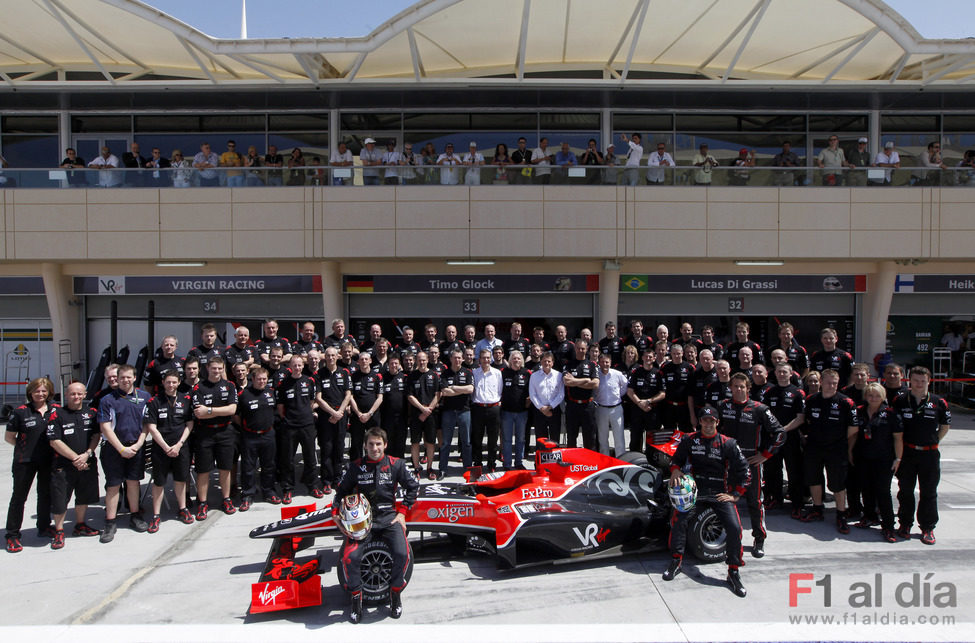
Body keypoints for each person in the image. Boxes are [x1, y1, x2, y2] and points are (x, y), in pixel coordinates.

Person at [333, 427, 419, 623]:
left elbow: (413, 487)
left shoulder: (396, 464)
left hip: (389, 518)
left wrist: (403, 513)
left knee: (402, 554)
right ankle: (356, 597)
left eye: (378, 444)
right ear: (365, 446)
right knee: (349, 557)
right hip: (362, 522)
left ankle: (395, 594)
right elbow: (340, 493)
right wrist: (335, 515)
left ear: (385, 445)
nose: (374, 448)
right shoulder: (355, 467)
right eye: (370, 444)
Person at [664, 405, 750, 598]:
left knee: (735, 528)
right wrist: (676, 470)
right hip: (696, 492)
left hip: (720, 493)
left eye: (712, 421)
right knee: (679, 520)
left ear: (717, 422)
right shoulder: (689, 440)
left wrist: (736, 494)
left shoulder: (728, 443)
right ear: (700, 422)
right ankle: (676, 561)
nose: (708, 424)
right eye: (704, 420)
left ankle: (734, 570)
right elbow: (675, 460)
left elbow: (745, 470)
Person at [717, 373, 784, 558]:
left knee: (755, 502)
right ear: (730, 388)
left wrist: (765, 455)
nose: (738, 390)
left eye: (742, 387)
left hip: (751, 463)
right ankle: (728, 537)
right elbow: (712, 430)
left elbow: (779, 433)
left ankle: (759, 539)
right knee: (727, 501)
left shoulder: (760, 409)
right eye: (735, 386)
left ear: (748, 389)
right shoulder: (723, 406)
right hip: (728, 464)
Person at [892, 366, 950, 545]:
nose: (919, 384)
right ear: (909, 381)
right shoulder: (900, 400)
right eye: (916, 380)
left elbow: (944, 426)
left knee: (929, 492)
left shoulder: (939, 402)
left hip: (930, 454)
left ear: (929, 381)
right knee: (906, 491)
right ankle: (905, 524)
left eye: (923, 381)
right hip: (908, 453)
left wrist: (933, 441)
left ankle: (927, 527)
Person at [795, 369, 857, 533]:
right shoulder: (811, 399)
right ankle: (817, 508)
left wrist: (839, 439)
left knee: (837, 483)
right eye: (828, 382)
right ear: (821, 382)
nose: (831, 386)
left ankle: (841, 513)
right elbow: (805, 420)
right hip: (814, 447)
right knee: (814, 478)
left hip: (836, 449)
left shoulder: (846, 402)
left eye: (834, 383)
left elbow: (853, 427)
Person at [97, 364, 151, 542]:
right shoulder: (107, 400)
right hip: (113, 449)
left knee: (133, 482)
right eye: (122, 377)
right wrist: (121, 448)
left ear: (135, 378)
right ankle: (110, 522)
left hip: (136, 447)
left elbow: (147, 424)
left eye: (129, 377)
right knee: (113, 485)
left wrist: (139, 444)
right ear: (117, 379)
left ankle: (135, 515)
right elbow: (105, 427)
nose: (125, 380)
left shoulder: (144, 397)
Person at [46, 382, 101, 550]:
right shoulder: (57, 414)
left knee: (83, 497)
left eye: (79, 394)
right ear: (66, 395)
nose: (76, 397)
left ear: (85, 395)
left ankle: (80, 525)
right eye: (72, 394)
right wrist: (76, 458)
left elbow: (96, 435)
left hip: (87, 464)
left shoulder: (92, 413)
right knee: (60, 501)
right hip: (64, 465)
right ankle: (59, 531)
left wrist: (87, 454)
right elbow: (54, 441)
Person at [5, 377, 56, 552]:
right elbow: (9, 437)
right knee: (19, 497)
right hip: (24, 461)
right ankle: (12, 535)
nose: (40, 394)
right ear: (30, 393)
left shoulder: (55, 410)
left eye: (44, 390)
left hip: (48, 460)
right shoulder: (20, 412)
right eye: (36, 391)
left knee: (45, 495)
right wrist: (25, 448)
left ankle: (43, 526)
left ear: (49, 392)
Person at [143, 371, 195, 529]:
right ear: (163, 383)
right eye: (168, 382)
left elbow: (189, 424)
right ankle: (156, 515)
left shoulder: (186, 399)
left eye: (174, 382)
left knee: (180, 479)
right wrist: (166, 447)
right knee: (159, 482)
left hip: (181, 447)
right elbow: (151, 427)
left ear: (179, 382)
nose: (171, 385)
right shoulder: (154, 401)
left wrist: (179, 445)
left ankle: (182, 509)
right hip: (161, 449)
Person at [853, 382, 902, 542]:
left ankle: (888, 526)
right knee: (866, 489)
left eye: (877, 395)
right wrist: (849, 453)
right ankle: (869, 516)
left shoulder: (890, 414)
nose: (873, 398)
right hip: (863, 457)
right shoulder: (859, 412)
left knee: (883, 492)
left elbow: (898, 438)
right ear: (866, 396)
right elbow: (853, 435)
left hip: (884, 459)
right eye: (870, 395)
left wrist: (898, 458)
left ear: (883, 397)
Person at [190, 356, 239, 519]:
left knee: (225, 468)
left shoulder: (230, 386)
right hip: (205, 433)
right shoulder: (199, 387)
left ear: (223, 368)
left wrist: (209, 411)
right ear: (207, 369)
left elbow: (232, 410)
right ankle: (202, 503)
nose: (216, 371)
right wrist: (217, 411)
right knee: (203, 470)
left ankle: (226, 499)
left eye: (219, 368)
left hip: (225, 432)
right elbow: (199, 414)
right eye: (213, 368)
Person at [763, 363, 807, 518]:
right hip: (773, 439)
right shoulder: (770, 392)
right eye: (779, 372)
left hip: (791, 438)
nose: (782, 374)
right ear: (775, 373)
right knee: (773, 470)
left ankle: (797, 504)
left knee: (794, 471)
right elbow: (765, 414)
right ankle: (775, 498)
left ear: (790, 374)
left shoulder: (797, 393)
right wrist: (774, 431)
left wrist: (782, 430)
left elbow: (800, 418)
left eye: (784, 372)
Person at [277, 355, 323, 500]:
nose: (297, 368)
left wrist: (308, 414)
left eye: (299, 365)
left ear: (303, 366)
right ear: (290, 366)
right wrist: (288, 419)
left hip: (307, 425)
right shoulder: (283, 383)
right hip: (290, 426)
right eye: (294, 365)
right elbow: (280, 407)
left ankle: (313, 486)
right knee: (287, 459)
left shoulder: (309, 381)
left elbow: (311, 401)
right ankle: (288, 488)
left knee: (310, 458)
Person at [315, 346, 352, 492]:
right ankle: (326, 480)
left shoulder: (344, 373)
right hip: (326, 417)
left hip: (340, 416)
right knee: (326, 448)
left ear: (337, 357)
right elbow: (318, 398)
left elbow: (348, 394)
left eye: (333, 355)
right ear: (325, 357)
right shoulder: (319, 374)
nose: (330, 358)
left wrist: (340, 412)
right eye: (328, 355)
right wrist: (332, 412)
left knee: (339, 447)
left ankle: (338, 478)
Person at [438, 349, 474, 476]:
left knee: (467, 442)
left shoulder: (468, 372)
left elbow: (470, 389)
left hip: (464, 410)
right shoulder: (444, 374)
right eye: (455, 358)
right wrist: (461, 390)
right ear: (451, 359)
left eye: (459, 358)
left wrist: (454, 388)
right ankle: (442, 469)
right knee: (446, 442)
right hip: (449, 411)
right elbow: (445, 392)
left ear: (463, 359)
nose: (457, 360)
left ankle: (468, 468)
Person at [406, 351, 439, 479]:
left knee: (430, 443)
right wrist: (421, 409)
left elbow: (438, 394)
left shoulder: (434, 375)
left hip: (430, 414)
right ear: (416, 361)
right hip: (416, 415)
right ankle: (416, 468)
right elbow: (410, 396)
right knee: (415, 442)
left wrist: (428, 410)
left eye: (424, 360)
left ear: (427, 360)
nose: (422, 362)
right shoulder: (412, 376)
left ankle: (429, 468)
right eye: (419, 360)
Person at [562, 339, 598, 450]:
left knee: (589, 437)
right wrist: (586, 380)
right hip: (572, 406)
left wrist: (575, 381)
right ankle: (572, 462)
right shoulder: (568, 365)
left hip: (588, 406)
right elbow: (566, 382)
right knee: (572, 437)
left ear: (586, 349)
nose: (580, 350)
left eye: (583, 348)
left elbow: (595, 384)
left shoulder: (592, 365)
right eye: (578, 348)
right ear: (575, 349)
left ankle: (589, 463)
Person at [627, 349, 665, 453]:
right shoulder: (636, 372)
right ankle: (635, 461)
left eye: (650, 357)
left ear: (654, 358)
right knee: (635, 438)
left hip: (652, 410)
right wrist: (639, 403)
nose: (648, 359)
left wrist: (649, 401)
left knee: (652, 441)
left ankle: (651, 463)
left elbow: (663, 393)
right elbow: (630, 391)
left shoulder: (658, 373)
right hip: (637, 410)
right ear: (642, 358)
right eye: (646, 356)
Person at [471, 349, 503, 470]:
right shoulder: (474, 373)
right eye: (484, 358)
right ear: (479, 359)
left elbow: (500, 391)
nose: (486, 360)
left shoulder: (497, 373)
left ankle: (491, 463)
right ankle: (478, 463)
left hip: (493, 408)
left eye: (488, 358)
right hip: (478, 408)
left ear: (491, 359)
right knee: (477, 438)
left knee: (493, 438)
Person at [349, 353, 384, 462]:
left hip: (373, 416)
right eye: (361, 359)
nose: (364, 361)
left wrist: (369, 413)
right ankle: (357, 466)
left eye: (366, 359)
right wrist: (359, 413)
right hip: (357, 416)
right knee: (356, 442)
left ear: (370, 361)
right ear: (358, 362)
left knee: (375, 441)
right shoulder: (353, 377)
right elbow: (350, 396)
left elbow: (380, 398)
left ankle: (374, 463)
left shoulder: (377, 376)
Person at [500, 350, 531, 469]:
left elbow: (531, 391)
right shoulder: (503, 372)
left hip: (522, 412)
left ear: (522, 360)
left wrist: (528, 402)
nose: (516, 360)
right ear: (510, 360)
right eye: (514, 358)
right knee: (507, 440)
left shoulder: (527, 373)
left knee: (520, 439)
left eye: (518, 358)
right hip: (506, 411)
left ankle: (519, 462)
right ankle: (507, 463)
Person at [593, 354, 628, 456]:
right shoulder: (596, 375)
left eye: (607, 362)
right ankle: (605, 460)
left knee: (619, 438)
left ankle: (621, 460)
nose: (605, 364)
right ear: (599, 363)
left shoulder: (617, 374)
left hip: (616, 408)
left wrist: (618, 396)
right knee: (602, 438)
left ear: (610, 362)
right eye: (602, 362)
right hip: (601, 408)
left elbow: (625, 385)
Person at [529, 352, 564, 444]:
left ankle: (554, 457)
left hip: (554, 409)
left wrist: (550, 407)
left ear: (552, 363)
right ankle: (542, 457)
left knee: (554, 436)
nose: (546, 363)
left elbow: (561, 394)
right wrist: (542, 407)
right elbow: (532, 394)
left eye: (549, 361)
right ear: (541, 362)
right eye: (544, 361)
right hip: (539, 410)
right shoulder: (534, 376)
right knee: (541, 437)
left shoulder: (559, 376)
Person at [381, 354, 410, 459]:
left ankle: (400, 465)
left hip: (402, 417)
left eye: (396, 363)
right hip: (387, 417)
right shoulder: (383, 378)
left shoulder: (405, 378)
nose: (393, 365)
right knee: (388, 442)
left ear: (399, 365)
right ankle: (388, 465)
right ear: (388, 365)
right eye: (391, 363)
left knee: (400, 442)